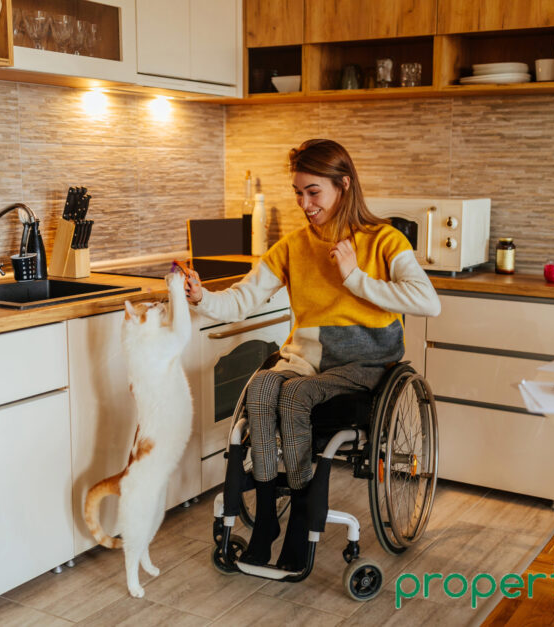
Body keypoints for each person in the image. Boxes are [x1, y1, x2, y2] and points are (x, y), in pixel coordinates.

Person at [185, 138, 440, 570]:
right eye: (298, 193)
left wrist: (355, 278)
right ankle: (266, 519)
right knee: (262, 387)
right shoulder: (293, 247)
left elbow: (428, 302)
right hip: (308, 359)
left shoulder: (385, 240)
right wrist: (202, 297)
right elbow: (244, 298)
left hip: (367, 364)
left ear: (343, 185)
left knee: (294, 396)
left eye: (313, 192)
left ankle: (301, 521)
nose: (304, 203)